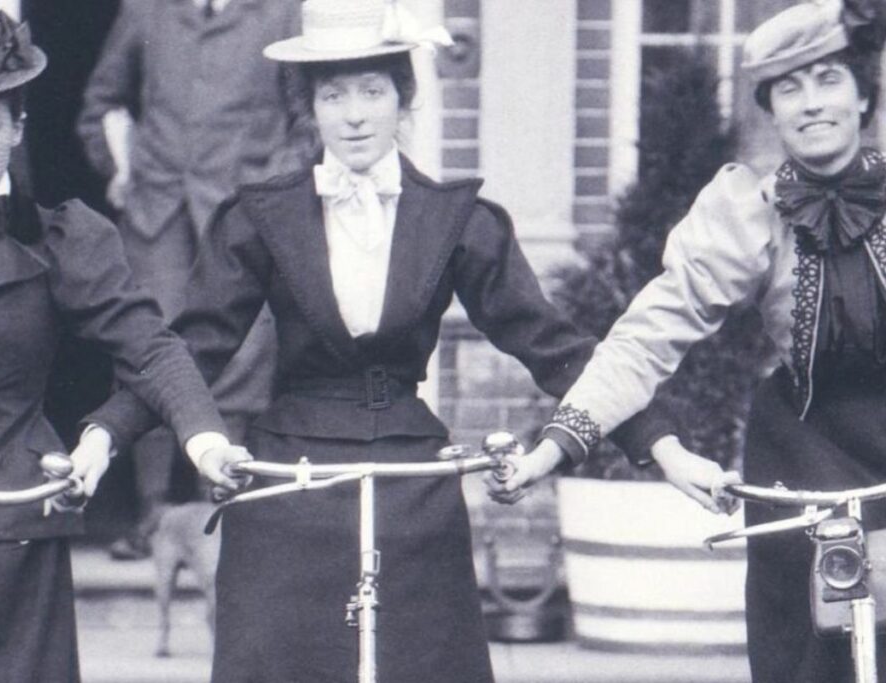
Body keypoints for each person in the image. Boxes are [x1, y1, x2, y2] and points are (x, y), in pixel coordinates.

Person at [83, 1, 681, 680]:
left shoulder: (459, 218)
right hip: (289, 483)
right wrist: (104, 434)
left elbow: (550, 342)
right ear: (310, 108)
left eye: (372, 90)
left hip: (409, 480)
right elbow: (191, 347)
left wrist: (661, 443)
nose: (354, 114)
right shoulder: (261, 215)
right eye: (332, 94)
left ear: (406, 99)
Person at [496, 1, 886, 680]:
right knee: (820, 654)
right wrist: (558, 443)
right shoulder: (746, 212)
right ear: (769, 108)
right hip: (804, 457)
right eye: (788, 88)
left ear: (862, 93)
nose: (811, 103)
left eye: (828, 79)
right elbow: (648, 333)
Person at [0, 11, 240, 682]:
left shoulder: (63, 238)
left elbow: (149, 349)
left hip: (13, 514)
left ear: (17, 127)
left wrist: (203, 440)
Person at [76, 0, 301, 560]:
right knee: (147, 347)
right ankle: (150, 514)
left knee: (244, 351)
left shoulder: (281, 14)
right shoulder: (146, 12)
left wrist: (268, 187)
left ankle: (224, 506)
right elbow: (98, 104)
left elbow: (307, 122)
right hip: (157, 214)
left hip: (242, 213)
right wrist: (121, 170)